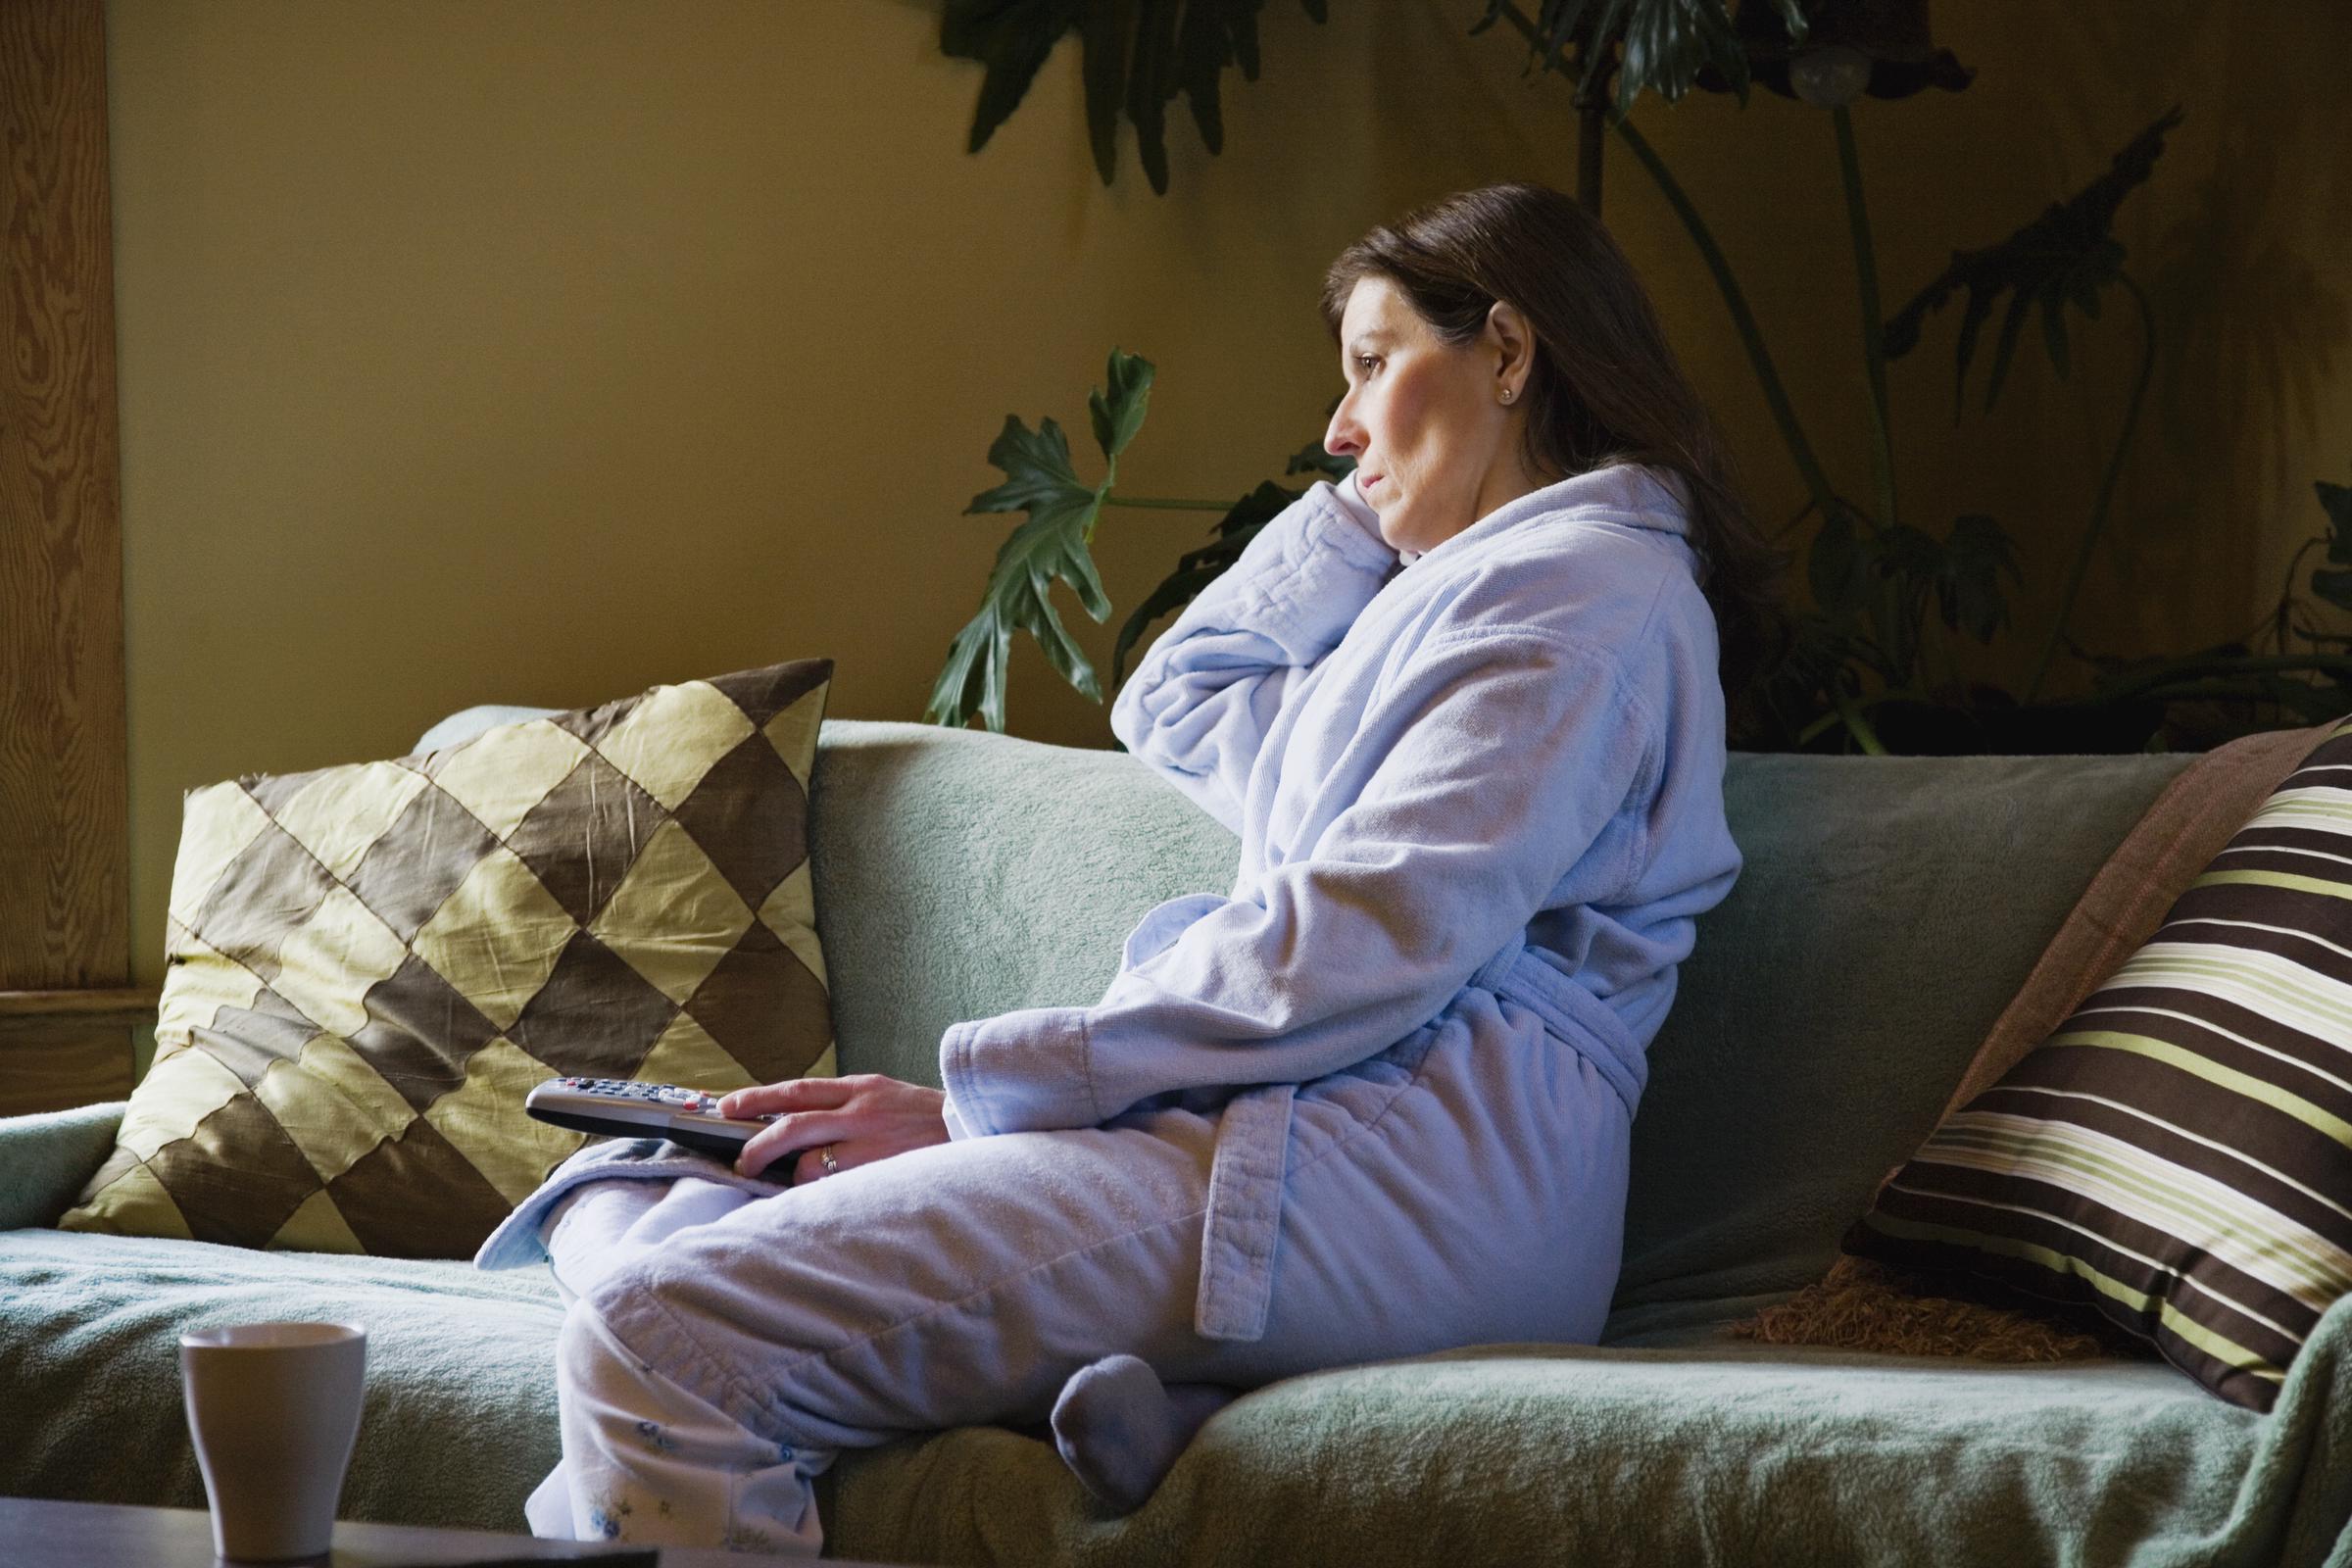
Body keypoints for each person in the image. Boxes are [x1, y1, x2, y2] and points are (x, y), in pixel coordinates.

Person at [475, 178, 1785, 1555]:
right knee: (634, 1183)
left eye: (1371, 366)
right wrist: (1363, 505)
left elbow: (1355, 943)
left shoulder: (1580, 601)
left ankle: (1175, 1373)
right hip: (1319, 1147)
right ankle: (1177, 1403)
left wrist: (985, 1102)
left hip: (1403, 1177)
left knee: (660, 1329)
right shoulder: (1473, 598)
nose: (1338, 429)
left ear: (1509, 354)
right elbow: (1183, 698)